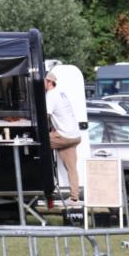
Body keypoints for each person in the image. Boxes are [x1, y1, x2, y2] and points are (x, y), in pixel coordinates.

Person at [44, 71, 83, 205]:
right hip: (75, 135)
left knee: (39, 144)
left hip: (64, 135)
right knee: (72, 168)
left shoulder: (50, 95)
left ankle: (43, 186)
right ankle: (74, 198)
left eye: (43, 81)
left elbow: (45, 116)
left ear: (49, 82)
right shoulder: (61, 93)